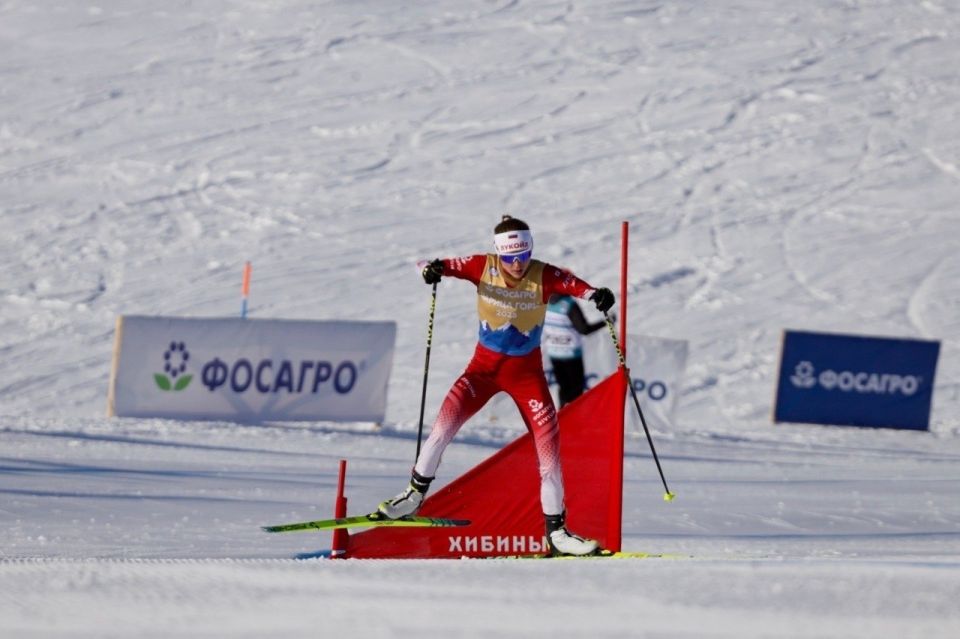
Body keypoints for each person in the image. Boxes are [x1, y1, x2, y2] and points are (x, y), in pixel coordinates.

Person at [377, 215, 615, 556]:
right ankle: (413, 495)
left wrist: (597, 295)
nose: (517, 264)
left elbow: (576, 286)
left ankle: (557, 533)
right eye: (510, 257)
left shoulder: (543, 274)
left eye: (523, 255)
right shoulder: (480, 266)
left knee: (549, 455)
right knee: (442, 428)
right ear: (499, 254)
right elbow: (427, 264)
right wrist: (430, 272)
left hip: (527, 379)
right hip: (482, 373)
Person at [543, 293, 612, 407]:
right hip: (571, 354)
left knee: (564, 388)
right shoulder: (568, 304)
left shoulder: (545, 303)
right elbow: (584, 329)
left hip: (554, 353)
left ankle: (563, 419)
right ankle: (573, 420)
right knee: (576, 392)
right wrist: (606, 322)